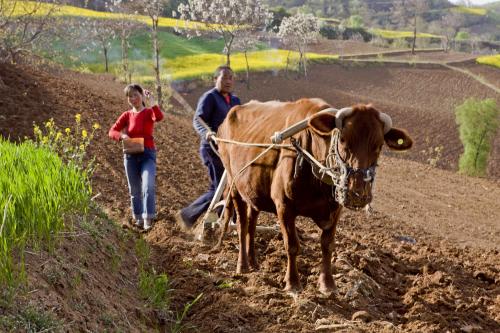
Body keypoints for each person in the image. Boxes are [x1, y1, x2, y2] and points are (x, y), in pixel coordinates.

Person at [177, 65, 241, 229]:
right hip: (212, 149)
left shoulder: (235, 101)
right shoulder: (210, 97)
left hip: (230, 151)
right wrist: (208, 133)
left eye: (230, 78)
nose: (228, 81)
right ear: (215, 79)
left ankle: (219, 222)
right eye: (224, 77)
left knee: (231, 187)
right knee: (219, 187)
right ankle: (188, 215)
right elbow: (198, 120)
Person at [109, 84, 164, 231]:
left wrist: (152, 102)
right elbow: (112, 131)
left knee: (148, 185)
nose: (133, 99)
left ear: (141, 95)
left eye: (135, 95)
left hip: (147, 154)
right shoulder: (127, 115)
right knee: (134, 190)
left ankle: (148, 218)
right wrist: (122, 135)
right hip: (131, 156)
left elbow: (159, 117)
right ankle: (138, 217)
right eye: (130, 96)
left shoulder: (148, 112)